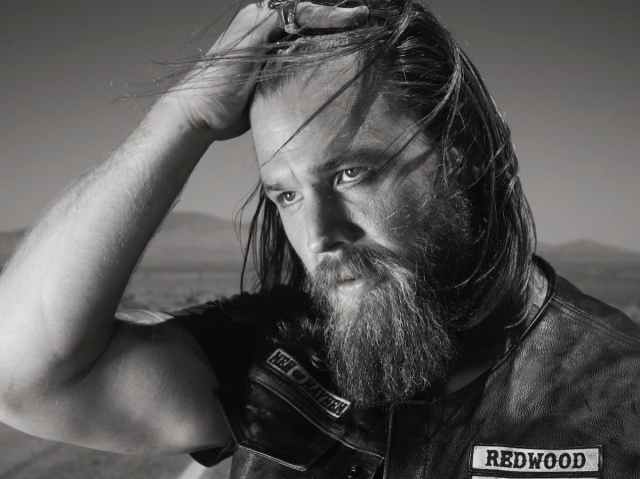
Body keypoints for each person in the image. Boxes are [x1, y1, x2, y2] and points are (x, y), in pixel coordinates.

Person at [0, 0, 638, 478]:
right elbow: (21, 375)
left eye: (351, 173)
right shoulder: (282, 355)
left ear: (461, 156)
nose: (320, 235)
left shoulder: (620, 396)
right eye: (286, 195)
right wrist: (186, 114)